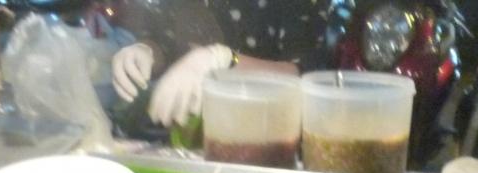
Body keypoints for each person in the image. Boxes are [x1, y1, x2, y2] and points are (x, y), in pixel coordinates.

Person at [110, 0, 332, 128]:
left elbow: (302, 75)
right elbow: (164, 43)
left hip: (267, 135)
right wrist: (145, 51)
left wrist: (224, 60)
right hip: (193, 137)